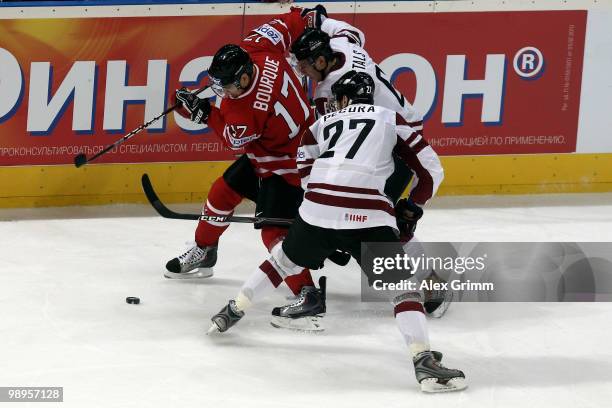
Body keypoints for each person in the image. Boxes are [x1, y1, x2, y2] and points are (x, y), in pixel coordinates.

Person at [207, 71, 465, 393]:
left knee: (281, 262)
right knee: (402, 290)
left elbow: (303, 165)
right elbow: (431, 168)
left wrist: (322, 206)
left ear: (341, 99)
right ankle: (423, 362)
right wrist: (413, 205)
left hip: (317, 208)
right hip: (370, 214)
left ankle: (231, 311)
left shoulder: (321, 123)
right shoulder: (390, 118)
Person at [289, 7, 453, 316]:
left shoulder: (329, 93)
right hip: (398, 127)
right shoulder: (343, 44)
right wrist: (318, 19)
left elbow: (333, 142)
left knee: (381, 224)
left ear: (321, 61)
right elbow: (353, 32)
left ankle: (431, 286)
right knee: (372, 221)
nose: (304, 74)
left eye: (306, 67)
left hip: (391, 142)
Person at [168, 7, 327, 300]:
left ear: (243, 79)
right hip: (278, 152)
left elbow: (232, 139)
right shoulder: (257, 49)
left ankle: (306, 292)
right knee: (220, 193)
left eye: (227, 87)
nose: (223, 93)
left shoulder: (245, 112)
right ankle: (204, 251)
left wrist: (202, 112)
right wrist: (307, 16)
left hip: (290, 168)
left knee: (273, 235)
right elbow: (289, 22)